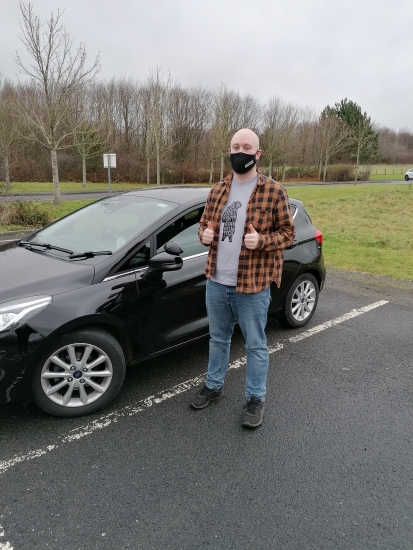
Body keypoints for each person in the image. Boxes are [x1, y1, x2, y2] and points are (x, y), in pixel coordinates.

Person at [190, 128, 295, 428]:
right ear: (229, 150)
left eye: (247, 147)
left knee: (255, 345)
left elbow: (288, 234)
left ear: (257, 154)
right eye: (235, 146)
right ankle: (214, 386)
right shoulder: (217, 189)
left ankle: (255, 399)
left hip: (252, 284)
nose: (240, 151)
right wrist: (205, 235)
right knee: (218, 338)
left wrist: (260, 241)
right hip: (217, 280)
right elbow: (202, 227)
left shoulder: (274, 191)